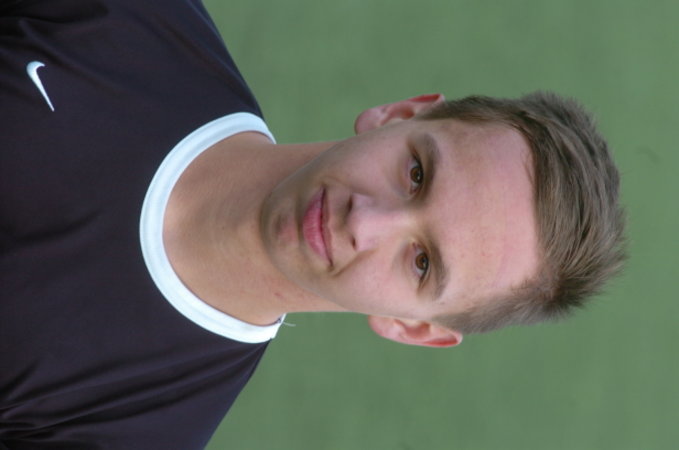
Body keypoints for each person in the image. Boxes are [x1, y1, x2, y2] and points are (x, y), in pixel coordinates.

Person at [0, 0, 625, 448]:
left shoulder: (127, 430)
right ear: (399, 115)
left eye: (421, 262)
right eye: (416, 174)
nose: (367, 223)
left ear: (412, 327)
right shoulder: (131, 18)